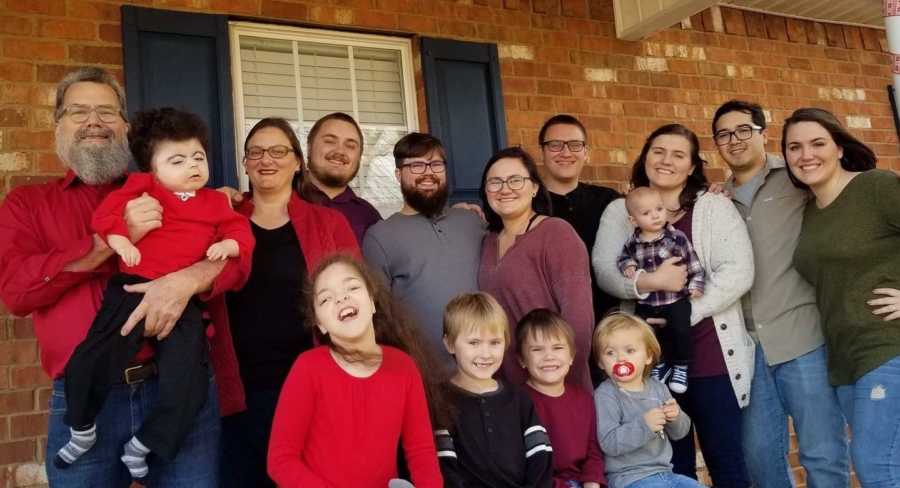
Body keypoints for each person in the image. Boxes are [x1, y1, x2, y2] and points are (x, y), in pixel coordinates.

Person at [0, 67, 248, 486]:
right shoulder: (27, 204)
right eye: (78, 111)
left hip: (177, 387)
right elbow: (17, 292)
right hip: (87, 397)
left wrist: (186, 280)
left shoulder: (176, 190)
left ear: (125, 126)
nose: (94, 121)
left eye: (106, 111)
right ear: (58, 123)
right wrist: (108, 242)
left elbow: (239, 265)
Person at [55, 107, 254, 482]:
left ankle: (144, 443)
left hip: (186, 302)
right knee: (90, 359)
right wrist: (118, 238)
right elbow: (105, 215)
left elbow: (242, 234)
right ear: (153, 169)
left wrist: (228, 244)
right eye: (177, 160)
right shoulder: (141, 188)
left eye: (198, 157)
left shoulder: (214, 201)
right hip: (131, 289)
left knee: (191, 384)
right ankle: (82, 428)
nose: (193, 165)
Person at [593, 124, 754, 487]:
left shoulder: (713, 206)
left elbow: (739, 271)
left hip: (713, 357)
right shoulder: (621, 210)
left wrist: (683, 310)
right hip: (650, 368)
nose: (666, 160)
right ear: (644, 156)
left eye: (678, 154)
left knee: (727, 463)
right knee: (669, 469)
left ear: (693, 165)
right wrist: (648, 283)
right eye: (658, 151)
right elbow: (605, 269)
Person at [713, 100, 849, 488]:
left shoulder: (796, 177)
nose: (734, 140)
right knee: (759, 459)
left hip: (803, 337)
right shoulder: (714, 201)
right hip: (746, 348)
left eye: (743, 130)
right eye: (723, 134)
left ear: (762, 132)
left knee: (823, 454)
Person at [221, 117, 360, 487]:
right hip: (237, 389)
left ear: (298, 161)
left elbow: (355, 307)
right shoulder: (221, 220)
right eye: (256, 152)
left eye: (278, 151)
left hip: (310, 386)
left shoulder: (328, 223)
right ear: (246, 163)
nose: (267, 159)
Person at [783, 107, 900, 488]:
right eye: (794, 147)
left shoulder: (876, 187)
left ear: (839, 147)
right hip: (845, 361)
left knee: (875, 467)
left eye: (818, 143)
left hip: (888, 346)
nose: (806, 155)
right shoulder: (810, 212)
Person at [267, 255, 444, 487]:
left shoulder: (404, 367)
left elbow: (421, 453)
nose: (341, 298)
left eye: (351, 286)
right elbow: (280, 460)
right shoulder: (308, 368)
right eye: (326, 299)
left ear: (371, 301)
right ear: (319, 324)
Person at [478, 146, 594, 391]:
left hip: (553, 384)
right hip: (505, 385)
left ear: (534, 188)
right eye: (495, 182)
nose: (505, 188)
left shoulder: (556, 233)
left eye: (515, 180)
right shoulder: (488, 241)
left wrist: (564, 384)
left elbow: (579, 318)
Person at [363, 132, 485, 364]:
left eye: (436, 164)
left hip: (485, 366)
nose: (428, 172)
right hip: (424, 373)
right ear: (398, 175)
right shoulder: (379, 236)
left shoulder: (471, 221)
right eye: (417, 165)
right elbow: (379, 316)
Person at [435, 292, 553, 488]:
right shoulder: (439, 401)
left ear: (506, 343)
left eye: (494, 342)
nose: (485, 353)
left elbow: (540, 456)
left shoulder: (519, 399)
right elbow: (444, 467)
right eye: (474, 343)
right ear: (449, 344)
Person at [592, 313, 700, 488]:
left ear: (648, 357)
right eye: (610, 353)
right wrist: (645, 425)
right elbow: (609, 443)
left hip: (666, 473)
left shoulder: (659, 388)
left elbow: (680, 433)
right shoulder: (605, 394)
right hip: (628, 478)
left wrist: (676, 416)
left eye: (630, 350)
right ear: (601, 362)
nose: (621, 358)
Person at [617, 187, 704, 394]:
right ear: (634, 221)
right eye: (646, 213)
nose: (655, 215)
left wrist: (696, 284)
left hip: (675, 299)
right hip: (647, 303)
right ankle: (659, 364)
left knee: (681, 329)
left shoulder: (677, 238)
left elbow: (693, 264)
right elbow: (622, 258)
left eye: (659, 209)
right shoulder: (632, 242)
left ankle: (681, 366)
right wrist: (628, 265)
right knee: (645, 335)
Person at [538, 115, 620, 319]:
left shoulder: (610, 201)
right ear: (542, 151)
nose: (565, 152)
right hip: (545, 327)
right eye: (555, 145)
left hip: (607, 322)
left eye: (575, 145)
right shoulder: (527, 203)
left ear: (586, 152)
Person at [518, 308, 606, 488]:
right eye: (537, 349)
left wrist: (592, 482)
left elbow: (593, 452)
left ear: (572, 356)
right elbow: (522, 464)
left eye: (557, 347)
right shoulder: (517, 402)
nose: (549, 356)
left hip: (582, 481)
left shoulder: (584, 399)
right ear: (522, 359)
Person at [299, 112, 381, 243]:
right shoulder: (279, 202)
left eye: (350, 146)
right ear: (309, 148)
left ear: (359, 157)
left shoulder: (369, 218)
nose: (340, 151)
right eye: (330, 141)